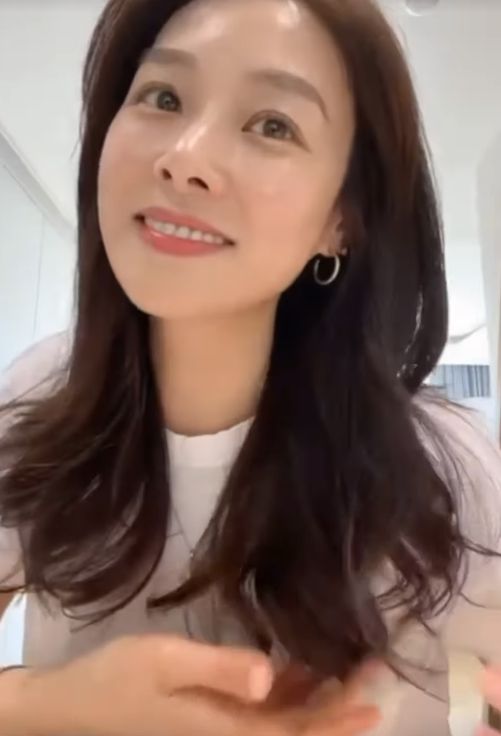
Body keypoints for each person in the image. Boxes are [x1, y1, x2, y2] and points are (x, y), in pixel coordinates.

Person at [1, 0, 501, 733]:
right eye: (163, 97)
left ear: (341, 220)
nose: (184, 157)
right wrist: (50, 708)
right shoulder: (41, 393)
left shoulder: (445, 469)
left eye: (272, 125)